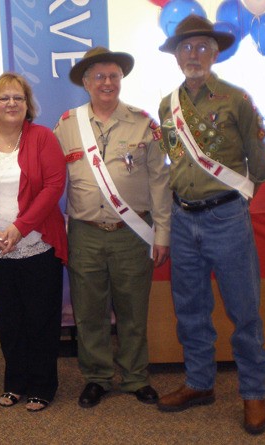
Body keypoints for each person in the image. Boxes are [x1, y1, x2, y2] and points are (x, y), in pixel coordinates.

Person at [156, 15, 265, 435]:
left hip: (225, 217)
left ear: (216, 51)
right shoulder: (167, 105)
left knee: (243, 310)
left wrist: (231, 199)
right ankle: (200, 383)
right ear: (176, 55)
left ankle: (254, 392)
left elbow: (259, 165)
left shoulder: (236, 99)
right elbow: (175, 161)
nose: (194, 54)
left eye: (202, 46)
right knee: (190, 308)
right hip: (183, 218)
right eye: (186, 47)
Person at [54, 47, 171, 408]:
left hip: (133, 233)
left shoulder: (144, 123)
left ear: (121, 80)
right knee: (90, 313)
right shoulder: (67, 125)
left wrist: (163, 234)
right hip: (85, 232)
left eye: (113, 76)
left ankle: (136, 377)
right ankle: (97, 378)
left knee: (133, 310)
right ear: (86, 83)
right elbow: (52, 179)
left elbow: (160, 182)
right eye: (99, 77)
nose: (107, 83)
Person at [0, 73, 67, 412]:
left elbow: (53, 186)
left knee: (41, 318)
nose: (10, 104)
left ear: (27, 104)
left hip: (37, 245)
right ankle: (15, 382)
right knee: (9, 318)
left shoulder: (44, 138)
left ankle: (42, 384)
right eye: (3, 98)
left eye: (17, 98)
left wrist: (19, 229)